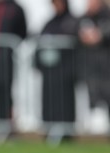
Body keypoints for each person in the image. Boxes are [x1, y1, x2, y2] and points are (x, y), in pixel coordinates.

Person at [34, 0, 79, 144]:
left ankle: (66, 134)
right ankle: (49, 129)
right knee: (49, 102)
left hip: (65, 73)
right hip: (49, 73)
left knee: (64, 104)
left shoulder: (72, 22)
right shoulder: (50, 23)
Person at [77, 0, 110, 131]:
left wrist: (100, 35)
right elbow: (75, 29)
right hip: (91, 66)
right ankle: (97, 129)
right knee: (93, 96)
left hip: (106, 66)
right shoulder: (84, 18)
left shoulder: (106, 16)